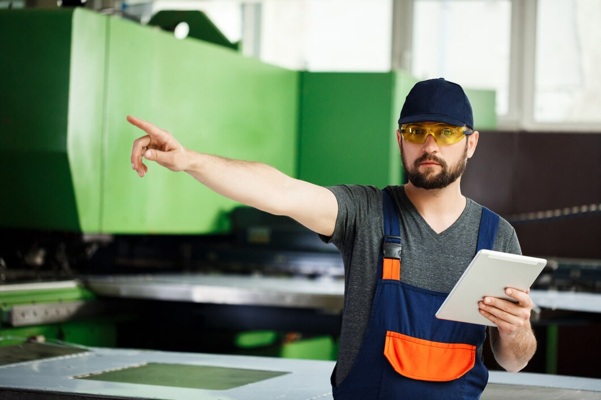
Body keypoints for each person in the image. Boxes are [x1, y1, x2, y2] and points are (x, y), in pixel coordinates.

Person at [128, 77, 536, 399]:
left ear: (471, 142)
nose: (429, 145)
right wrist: (190, 160)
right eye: (416, 131)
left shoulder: (497, 237)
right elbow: (279, 192)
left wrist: (515, 331)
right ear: (400, 140)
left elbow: (514, 361)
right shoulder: (366, 213)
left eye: (445, 133)